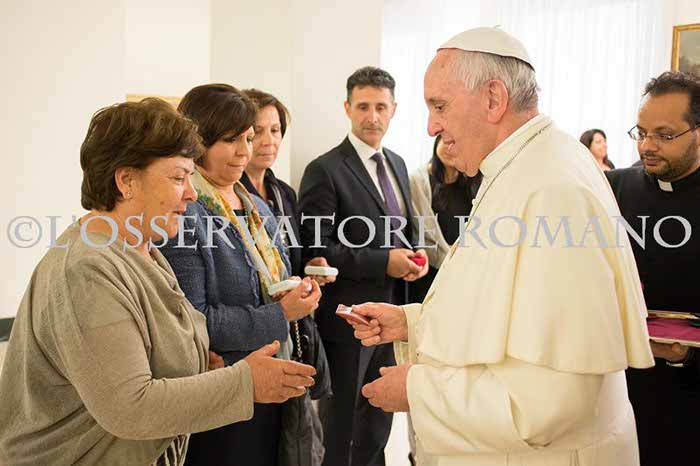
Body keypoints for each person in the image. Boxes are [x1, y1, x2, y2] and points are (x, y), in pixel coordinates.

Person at [346, 27, 654, 466]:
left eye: (439, 106)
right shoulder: (525, 166)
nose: (431, 126)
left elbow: (552, 403)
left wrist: (416, 389)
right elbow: (499, 307)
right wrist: (413, 323)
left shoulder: (552, 190)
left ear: (493, 99)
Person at [0, 98, 316, 466]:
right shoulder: (87, 271)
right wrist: (245, 383)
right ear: (126, 181)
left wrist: (202, 366)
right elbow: (130, 407)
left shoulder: (144, 250)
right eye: (179, 178)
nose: (192, 193)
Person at [159, 84, 322, 466]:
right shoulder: (184, 215)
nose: (244, 151)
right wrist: (281, 314)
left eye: (248, 138)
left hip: (275, 380)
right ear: (198, 142)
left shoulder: (259, 209)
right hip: (224, 392)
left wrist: (298, 292)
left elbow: (275, 283)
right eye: (230, 140)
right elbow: (195, 323)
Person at [298, 66, 429, 466]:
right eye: (363, 107)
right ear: (347, 108)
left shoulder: (398, 164)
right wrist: (384, 262)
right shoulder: (324, 169)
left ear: (394, 110)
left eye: (381, 107)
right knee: (341, 426)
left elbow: (400, 231)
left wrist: (413, 257)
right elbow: (316, 249)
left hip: (393, 314)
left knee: (378, 420)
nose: (373, 116)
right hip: (348, 320)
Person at [607, 71, 700, 466]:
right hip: (615, 393)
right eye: (641, 133)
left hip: (689, 401)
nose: (647, 145)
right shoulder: (610, 189)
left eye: (664, 135)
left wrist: (683, 356)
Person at [241, 88, 336, 284]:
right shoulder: (231, 192)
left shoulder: (284, 193)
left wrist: (309, 267)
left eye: (275, 130)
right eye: (258, 131)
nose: (269, 141)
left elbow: (289, 257)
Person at [408, 134, 482, 302]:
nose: (449, 148)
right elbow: (419, 230)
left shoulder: (473, 181)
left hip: (465, 266)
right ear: (436, 142)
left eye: (455, 143)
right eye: (445, 141)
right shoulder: (419, 181)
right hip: (429, 269)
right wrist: (448, 256)